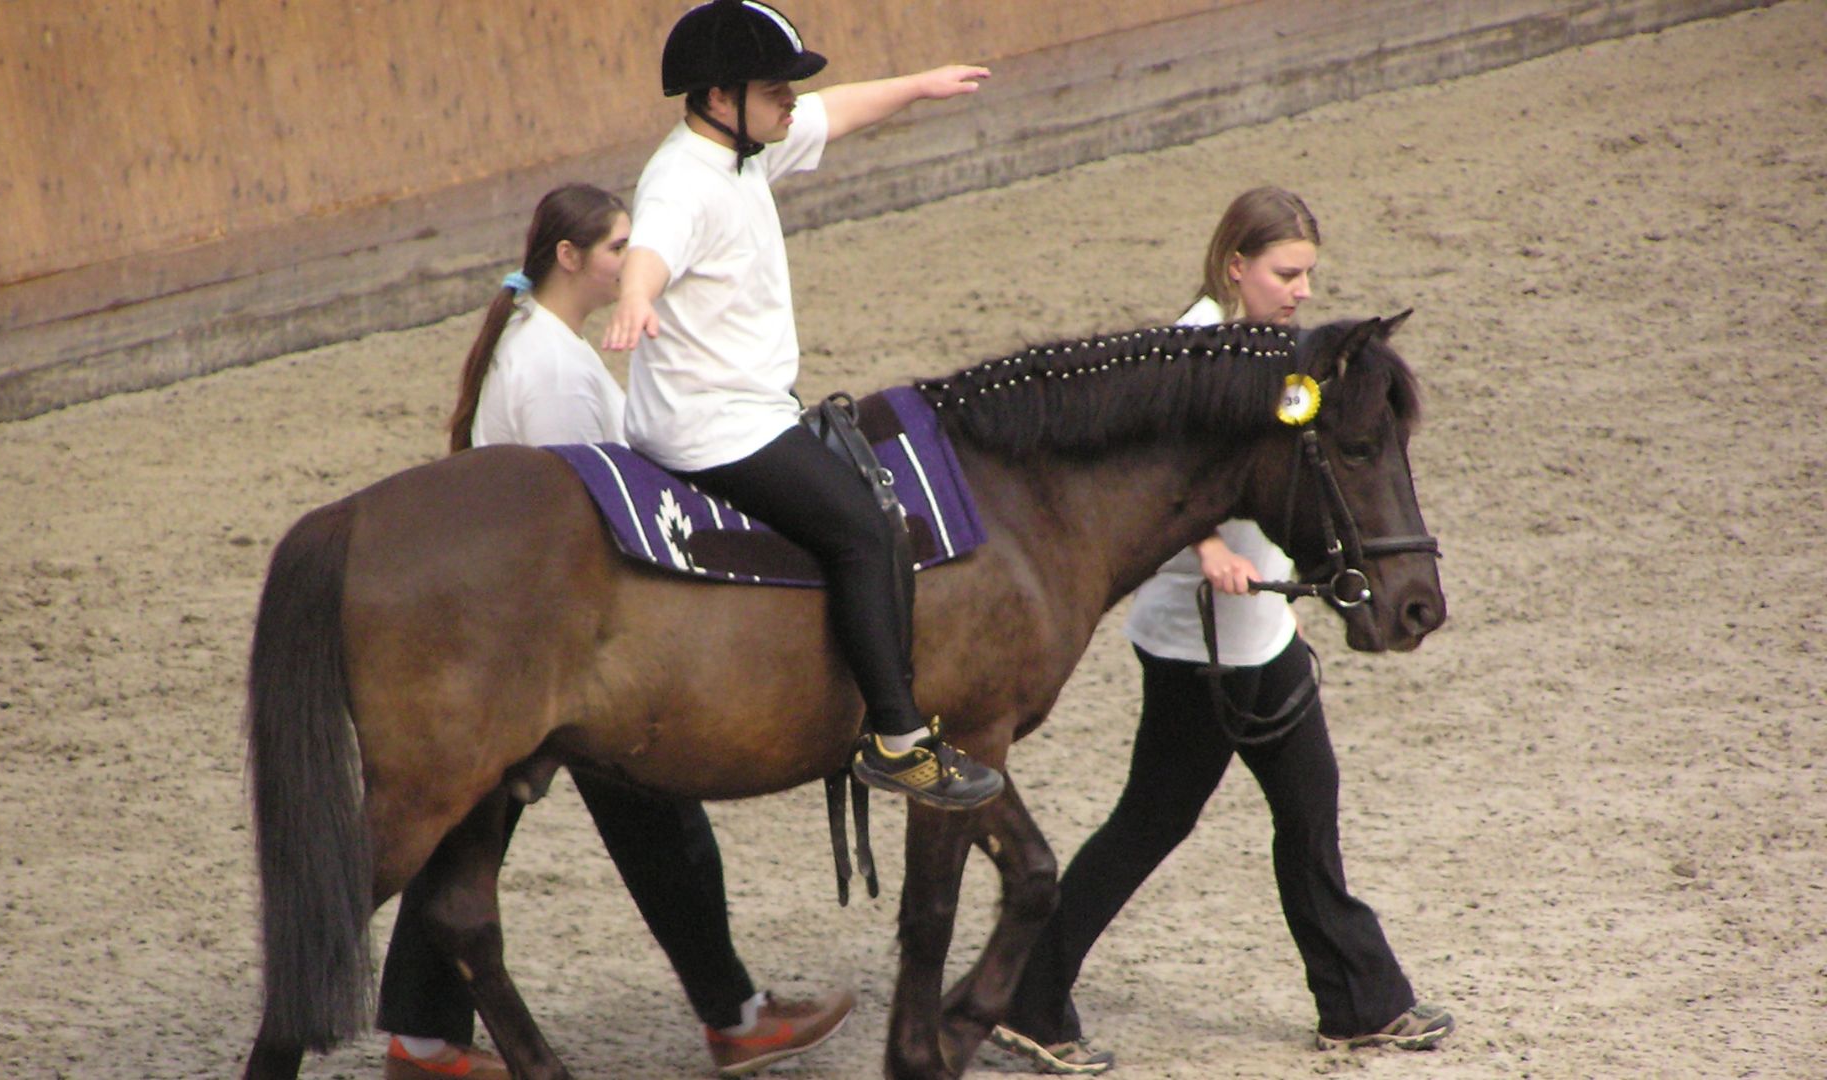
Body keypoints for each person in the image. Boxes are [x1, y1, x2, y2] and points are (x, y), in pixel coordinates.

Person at [379, 183, 854, 1080]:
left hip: (531, 632)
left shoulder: (539, 345)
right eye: (615, 250)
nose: (628, 264)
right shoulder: (552, 366)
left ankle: (422, 1039)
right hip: (566, 638)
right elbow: (587, 512)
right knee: (653, 821)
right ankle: (734, 1016)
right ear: (570, 258)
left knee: (466, 831)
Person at [991, 187, 1455, 1075]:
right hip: (1198, 638)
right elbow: (1148, 477)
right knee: (1157, 821)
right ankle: (1028, 993)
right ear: (1234, 265)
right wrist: (1205, 545)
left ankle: (1359, 1001)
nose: (1301, 292)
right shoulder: (1187, 357)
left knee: (1301, 808)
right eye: (1286, 274)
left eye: (1310, 275)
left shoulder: (1281, 357)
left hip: (1260, 631)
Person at [601, 0, 1004, 812]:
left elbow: (835, 108)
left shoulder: (743, 152)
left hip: (751, 407)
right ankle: (897, 739)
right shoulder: (682, 182)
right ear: (721, 98)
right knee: (863, 529)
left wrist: (919, 86)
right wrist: (635, 298)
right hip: (712, 424)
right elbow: (650, 248)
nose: (790, 100)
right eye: (774, 89)